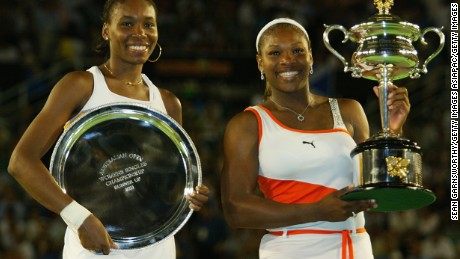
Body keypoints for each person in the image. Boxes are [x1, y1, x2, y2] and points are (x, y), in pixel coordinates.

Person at [7, 0, 209, 258]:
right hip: (93, 248)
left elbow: (158, 184)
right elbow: (20, 161)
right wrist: (78, 218)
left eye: (149, 24)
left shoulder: (169, 102)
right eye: (127, 23)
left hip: (157, 248)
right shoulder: (80, 85)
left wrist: (188, 195)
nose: (140, 33)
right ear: (106, 31)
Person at [220, 18, 410, 259]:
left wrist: (393, 132)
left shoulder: (349, 110)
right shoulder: (247, 124)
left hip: (355, 246)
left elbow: (380, 187)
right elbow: (235, 210)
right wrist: (317, 211)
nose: (287, 60)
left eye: (297, 50)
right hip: (291, 249)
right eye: (275, 52)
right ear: (260, 62)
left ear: (311, 56)